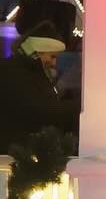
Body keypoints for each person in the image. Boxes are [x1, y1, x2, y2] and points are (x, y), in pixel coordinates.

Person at [0, 13, 80, 155]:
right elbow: (43, 111)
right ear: (36, 51)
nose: (54, 63)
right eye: (52, 56)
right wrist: (81, 106)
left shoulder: (29, 71)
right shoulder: (18, 73)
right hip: (15, 156)